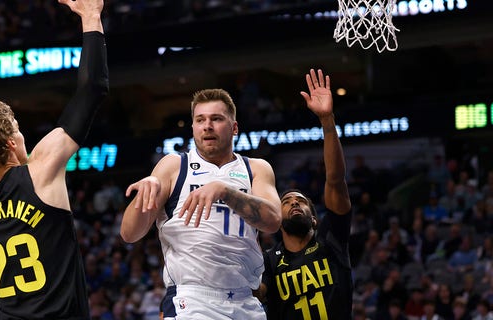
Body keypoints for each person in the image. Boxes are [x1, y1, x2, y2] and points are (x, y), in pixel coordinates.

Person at [0, 0, 109, 318]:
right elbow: (91, 90)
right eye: (20, 130)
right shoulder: (41, 172)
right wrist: (92, 16)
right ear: (13, 143)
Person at [120, 86, 283, 317]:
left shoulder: (255, 168)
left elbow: (273, 221)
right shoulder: (174, 165)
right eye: (200, 120)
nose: (207, 125)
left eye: (216, 119)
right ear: (194, 127)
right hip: (192, 298)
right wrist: (142, 198)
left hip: (246, 299)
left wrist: (225, 191)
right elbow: (129, 234)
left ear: (234, 127)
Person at [261, 69, 353, 319]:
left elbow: (335, 180)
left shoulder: (331, 238)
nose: (293, 204)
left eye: (301, 201)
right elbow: (253, 294)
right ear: (277, 219)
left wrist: (327, 121)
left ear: (314, 218)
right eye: (286, 201)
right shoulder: (269, 261)